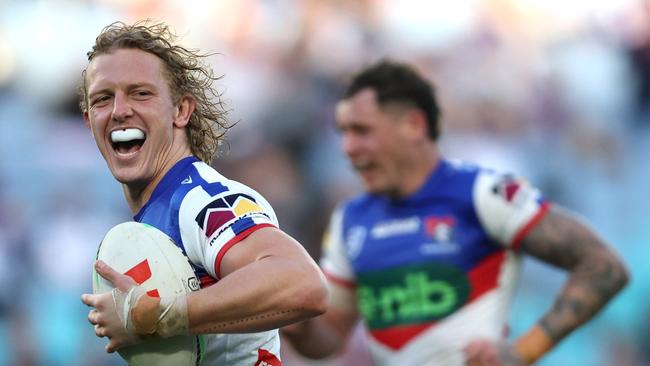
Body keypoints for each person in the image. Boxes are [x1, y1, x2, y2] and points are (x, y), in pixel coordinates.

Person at [281, 60, 629, 365]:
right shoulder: (351, 218)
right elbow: (328, 340)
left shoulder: (481, 193)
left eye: (361, 131)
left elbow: (604, 267)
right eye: (343, 133)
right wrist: (295, 324)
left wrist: (524, 351)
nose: (348, 147)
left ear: (414, 126)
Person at [78, 21, 328, 365]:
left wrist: (153, 317)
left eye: (140, 93)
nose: (120, 110)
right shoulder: (159, 210)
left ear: (181, 110)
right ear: (88, 120)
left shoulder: (199, 199)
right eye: (104, 98)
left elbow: (302, 284)